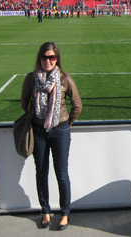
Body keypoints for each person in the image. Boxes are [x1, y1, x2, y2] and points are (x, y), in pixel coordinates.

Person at [21, 42, 82, 230]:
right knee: (41, 173)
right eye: (44, 57)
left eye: (51, 57)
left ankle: (65, 213)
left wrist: (66, 123)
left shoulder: (65, 79)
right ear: (39, 58)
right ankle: (45, 211)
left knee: (61, 174)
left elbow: (77, 105)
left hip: (60, 131)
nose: (47, 61)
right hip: (38, 132)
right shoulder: (31, 79)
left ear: (57, 59)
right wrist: (38, 116)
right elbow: (24, 103)